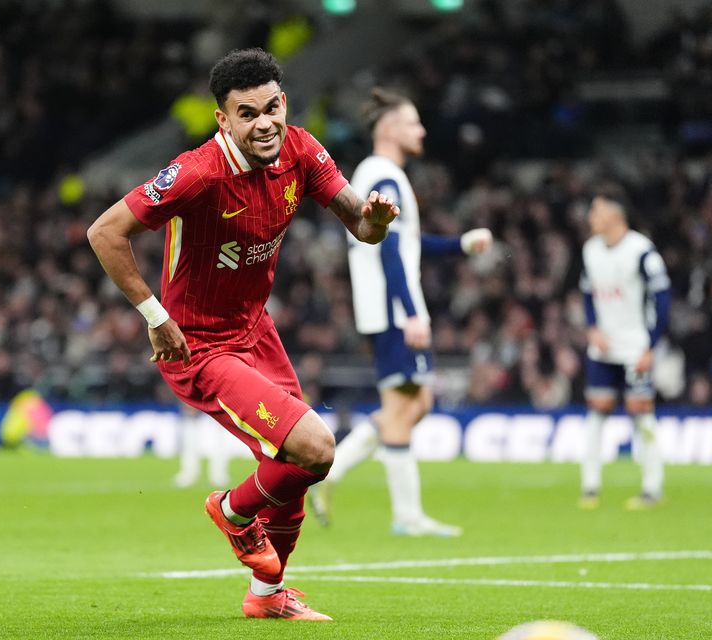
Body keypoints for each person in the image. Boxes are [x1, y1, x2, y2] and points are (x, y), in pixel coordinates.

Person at [86, 48, 399, 621]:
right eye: (248, 113)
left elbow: (360, 223)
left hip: (256, 332)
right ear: (222, 120)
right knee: (315, 447)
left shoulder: (301, 150)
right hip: (199, 344)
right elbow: (105, 232)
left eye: (273, 107)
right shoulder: (197, 172)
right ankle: (231, 510)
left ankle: (266, 597)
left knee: (297, 471)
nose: (265, 123)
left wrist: (374, 222)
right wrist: (157, 317)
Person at [308, 88, 492, 536]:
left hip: (388, 308)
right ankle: (405, 515)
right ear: (389, 129)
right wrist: (411, 312)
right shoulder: (384, 176)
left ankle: (333, 475)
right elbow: (389, 247)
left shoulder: (381, 175)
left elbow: (406, 240)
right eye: (413, 122)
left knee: (416, 405)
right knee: (401, 408)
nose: (422, 130)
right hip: (393, 311)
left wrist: (459, 245)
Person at [578, 184, 671, 510]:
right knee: (595, 414)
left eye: (596, 210)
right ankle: (589, 487)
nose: (592, 216)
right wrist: (592, 328)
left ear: (614, 214)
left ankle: (652, 487)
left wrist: (651, 346)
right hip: (603, 348)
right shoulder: (590, 250)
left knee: (642, 416)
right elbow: (588, 293)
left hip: (635, 347)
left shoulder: (642, 251)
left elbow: (662, 299)